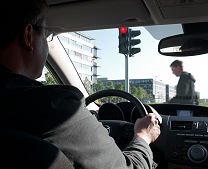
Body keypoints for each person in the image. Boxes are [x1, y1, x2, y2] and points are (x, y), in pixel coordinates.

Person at [0, 0, 160, 169]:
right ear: (28, 36)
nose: (47, 46)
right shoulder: (56, 108)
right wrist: (143, 136)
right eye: (47, 37)